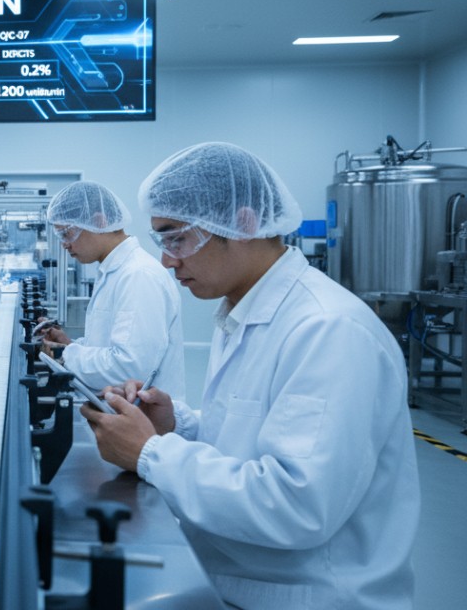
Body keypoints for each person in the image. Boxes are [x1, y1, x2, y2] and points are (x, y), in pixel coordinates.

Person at [81, 142, 419, 610]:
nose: (167, 260)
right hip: (243, 584)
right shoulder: (242, 313)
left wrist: (150, 453)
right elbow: (250, 440)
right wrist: (175, 425)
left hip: (311, 599)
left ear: (241, 223)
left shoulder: (328, 329)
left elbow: (296, 506)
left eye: (176, 239)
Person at [37, 181, 184, 397]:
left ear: (99, 221)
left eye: (67, 234)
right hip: (115, 410)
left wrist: (66, 355)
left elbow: (129, 368)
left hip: (142, 415)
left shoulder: (138, 275)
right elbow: (109, 345)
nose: (64, 244)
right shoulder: (114, 271)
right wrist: (70, 344)